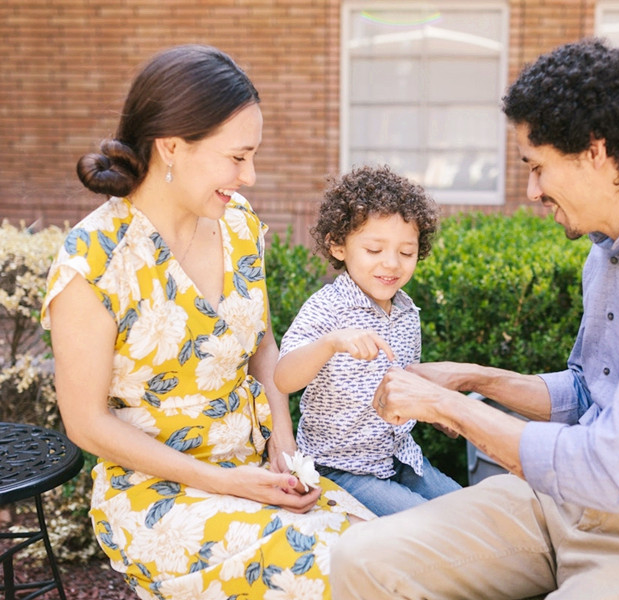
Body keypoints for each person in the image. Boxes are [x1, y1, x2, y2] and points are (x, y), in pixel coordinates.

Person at [331, 37, 619, 599]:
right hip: (552, 504)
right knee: (363, 558)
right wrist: (472, 379)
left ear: (596, 152)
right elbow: (594, 393)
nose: (532, 189)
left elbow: (609, 467)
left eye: (538, 166)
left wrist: (451, 407)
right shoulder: (606, 250)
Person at [41, 44, 372, 600]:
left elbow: (262, 342)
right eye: (237, 157)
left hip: (255, 467)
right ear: (172, 146)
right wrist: (225, 483)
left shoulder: (240, 225)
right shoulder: (92, 262)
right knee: (335, 570)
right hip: (155, 496)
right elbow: (86, 423)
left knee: (385, 553)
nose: (251, 175)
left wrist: (284, 445)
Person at [274, 165, 461, 516]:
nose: (391, 263)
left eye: (406, 253)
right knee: (431, 525)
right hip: (342, 469)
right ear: (338, 245)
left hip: (400, 458)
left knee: (475, 510)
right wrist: (330, 343)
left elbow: (405, 390)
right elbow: (283, 377)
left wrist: (437, 412)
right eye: (374, 249)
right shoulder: (327, 307)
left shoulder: (407, 312)